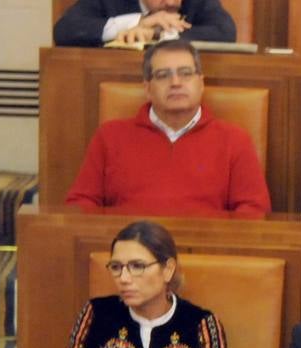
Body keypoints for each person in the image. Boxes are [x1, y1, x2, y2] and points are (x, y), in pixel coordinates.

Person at [65, 40, 270, 216]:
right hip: (129, 256)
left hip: (206, 254)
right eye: (163, 75)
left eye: (186, 74)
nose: (175, 82)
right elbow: (81, 204)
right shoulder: (110, 136)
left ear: (201, 83)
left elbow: (254, 211)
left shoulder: (234, 140)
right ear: (147, 88)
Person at [51, 220, 234, 348]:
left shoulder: (201, 324)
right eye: (116, 267)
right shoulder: (97, 313)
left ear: (168, 269)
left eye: (137, 266)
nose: (124, 278)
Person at [53, 0, 236, 48]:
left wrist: (157, 35)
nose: (172, 3)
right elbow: (65, 30)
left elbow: (225, 32)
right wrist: (137, 22)